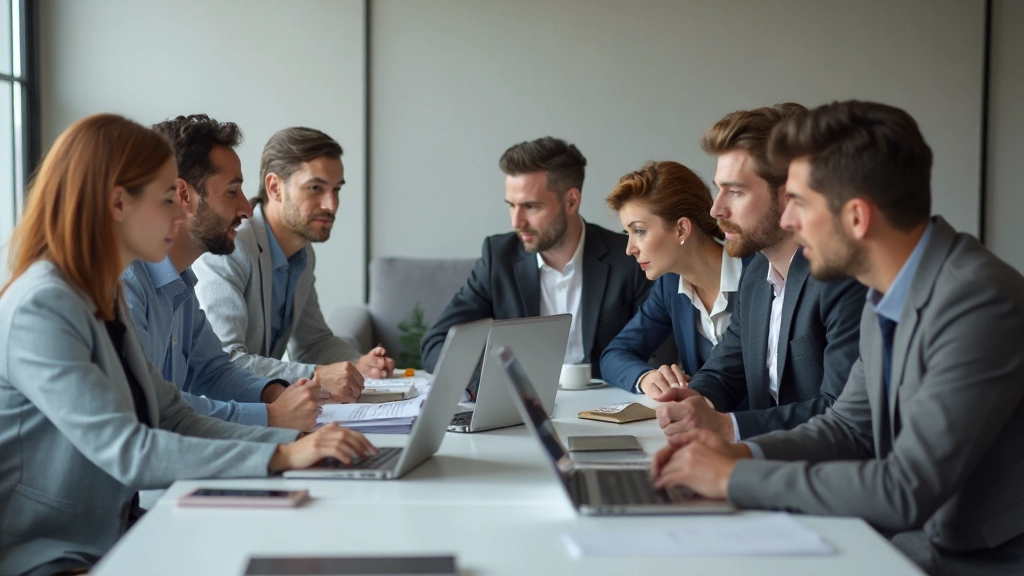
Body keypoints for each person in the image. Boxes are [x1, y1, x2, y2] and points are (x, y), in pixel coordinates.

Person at [651, 100, 1024, 576]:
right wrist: (738, 452)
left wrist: (735, 476)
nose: (788, 221)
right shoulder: (886, 290)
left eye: (801, 203)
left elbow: (907, 489)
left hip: (970, 559)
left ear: (856, 218)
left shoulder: (977, 301)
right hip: (907, 541)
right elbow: (848, 427)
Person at [0, 114, 375, 576]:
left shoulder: (102, 293)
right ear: (119, 203)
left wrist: (299, 440)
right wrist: (282, 453)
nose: (181, 215)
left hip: (116, 534)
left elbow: (171, 413)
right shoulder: (45, 304)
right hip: (52, 555)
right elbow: (129, 450)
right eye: (166, 200)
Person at [655, 104, 866, 441]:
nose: (715, 209)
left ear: (788, 197)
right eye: (718, 188)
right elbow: (725, 370)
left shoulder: (842, 279)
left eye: (735, 191)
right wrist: (696, 399)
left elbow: (841, 411)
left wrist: (728, 427)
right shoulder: (755, 277)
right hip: (766, 465)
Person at [122, 115, 328, 431]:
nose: (247, 209)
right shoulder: (125, 284)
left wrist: (277, 395)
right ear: (183, 195)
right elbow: (151, 408)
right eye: (232, 192)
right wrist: (271, 417)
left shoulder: (181, 283)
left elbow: (213, 370)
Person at [420, 137, 651, 378]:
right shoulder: (498, 257)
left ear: (571, 201)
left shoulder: (629, 258)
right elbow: (437, 343)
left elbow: (658, 354)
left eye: (531, 207)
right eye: (512, 205)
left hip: (607, 407)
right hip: (520, 410)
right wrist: (492, 384)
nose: (516, 222)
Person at [193, 127, 394, 402]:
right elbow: (225, 361)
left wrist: (359, 365)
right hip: (224, 413)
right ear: (275, 187)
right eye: (315, 188)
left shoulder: (302, 254)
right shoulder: (231, 246)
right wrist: (320, 376)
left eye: (336, 190)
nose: (331, 205)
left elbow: (313, 342)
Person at [600, 160, 749, 394]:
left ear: (682, 229)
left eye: (639, 231)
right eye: (627, 233)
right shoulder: (670, 286)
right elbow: (615, 354)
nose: (630, 249)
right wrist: (647, 377)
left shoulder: (760, 275)